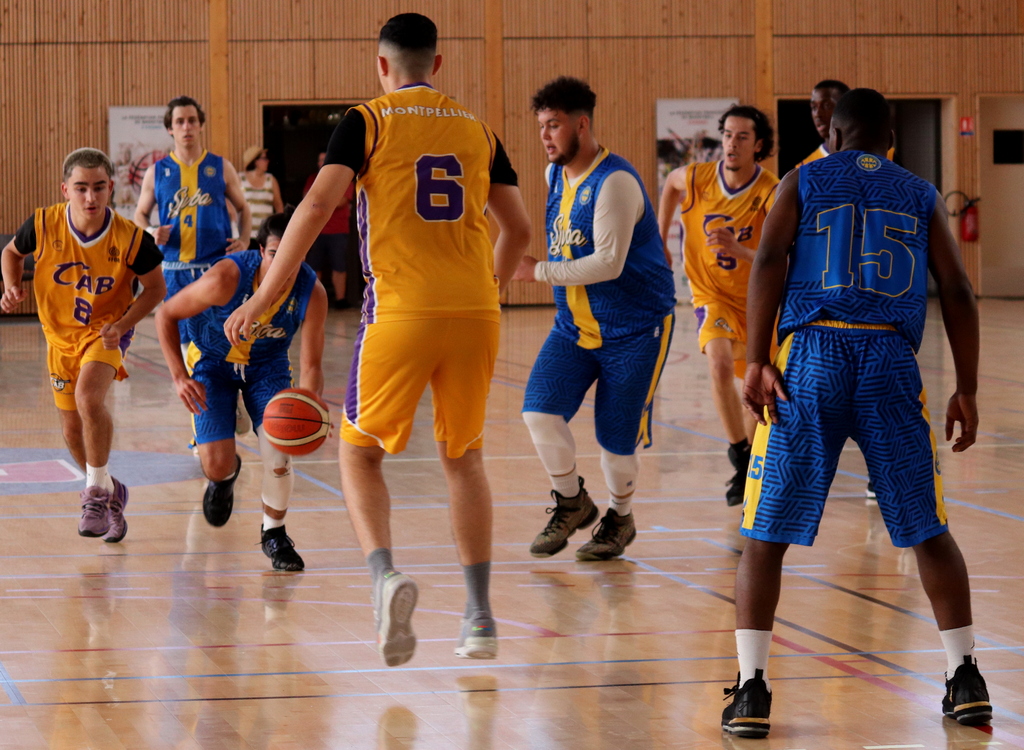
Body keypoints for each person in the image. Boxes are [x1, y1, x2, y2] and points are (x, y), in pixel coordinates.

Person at [221, 13, 531, 665]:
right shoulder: (479, 129)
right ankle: (479, 618)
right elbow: (519, 230)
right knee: (464, 460)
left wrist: (264, 294)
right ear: (437, 65)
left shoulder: (367, 120)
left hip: (401, 312)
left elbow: (315, 207)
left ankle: (384, 578)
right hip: (476, 312)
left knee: (359, 456)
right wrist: (491, 288)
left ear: (381, 65)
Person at [722, 88, 990, 737]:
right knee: (927, 528)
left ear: (834, 136)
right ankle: (965, 677)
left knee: (764, 533)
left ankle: (752, 690)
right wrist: (967, 388)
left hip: (812, 357)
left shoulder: (804, 178)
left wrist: (756, 359)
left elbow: (768, 261)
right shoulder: (921, 192)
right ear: (890, 139)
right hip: (889, 359)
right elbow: (957, 288)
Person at [513, 77, 676, 562]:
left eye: (554, 125)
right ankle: (572, 502)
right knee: (539, 413)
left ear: (581, 125)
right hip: (574, 326)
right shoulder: (554, 175)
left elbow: (608, 263)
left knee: (615, 443)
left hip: (636, 328)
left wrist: (537, 271)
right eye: (541, 125)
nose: (545, 136)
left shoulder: (616, 182)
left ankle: (620, 518)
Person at [0, 148, 166, 542]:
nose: (90, 197)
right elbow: (11, 252)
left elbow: (156, 288)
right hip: (59, 338)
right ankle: (111, 490)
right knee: (73, 431)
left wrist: (122, 325)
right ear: (65, 190)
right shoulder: (43, 224)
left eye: (98, 187)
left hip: (106, 332)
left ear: (111, 187)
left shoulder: (132, 238)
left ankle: (93, 495)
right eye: (81, 188)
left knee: (89, 399)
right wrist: (11, 285)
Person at [154, 208, 327, 571]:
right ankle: (225, 476)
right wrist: (179, 376)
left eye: (294, 254)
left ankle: (275, 533)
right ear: (260, 250)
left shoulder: (312, 292)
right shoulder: (226, 278)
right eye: (275, 253)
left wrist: (310, 407)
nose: (284, 263)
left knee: (279, 456)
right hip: (212, 365)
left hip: (267, 369)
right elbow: (166, 315)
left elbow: (311, 366)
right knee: (215, 465)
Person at [657, 105, 779, 506]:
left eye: (742, 137)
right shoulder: (697, 177)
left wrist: (739, 251)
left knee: (756, 388)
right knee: (720, 363)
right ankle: (739, 453)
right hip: (711, 295)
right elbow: (670, 184)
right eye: (727, 134)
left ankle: (749, 461)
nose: (731, 143)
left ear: (758, 145)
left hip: (758, 301)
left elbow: (781, 255)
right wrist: (660, 236)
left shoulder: (771, 190)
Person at [135, 96, 253, 435]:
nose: (186, 126)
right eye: (179, 121)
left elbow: (243, 208)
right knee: (190, 352)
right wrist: (150, 231)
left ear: (200, 125)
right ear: (170, 129)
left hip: (215, 269)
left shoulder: (220, 166)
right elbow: (140, 214)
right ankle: (203, 428)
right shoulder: (158, 171)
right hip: (175, 272)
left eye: (191, 120)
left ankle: (233, 398)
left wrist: (245, 239)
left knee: (225, 340)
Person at [303, 151, 355, 308]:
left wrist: (319, 201)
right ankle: (312, 302)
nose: (322, 163)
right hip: (315, 230)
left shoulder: (345, 178)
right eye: (319, 160)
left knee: (339, 266)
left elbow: (342, 201)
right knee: (314, 266)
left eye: (324, 159)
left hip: (338, 230)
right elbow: (307, 200)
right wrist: (327, 199)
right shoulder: (312, 179)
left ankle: (340, 300)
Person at [240, 146, 284, 244]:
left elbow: (278, 206)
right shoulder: (240, 179)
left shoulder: (271, 179)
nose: (267, 161)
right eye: (264, 158)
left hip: (265, 234)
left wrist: (278, 230)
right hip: (245, 234)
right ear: (255, 161)